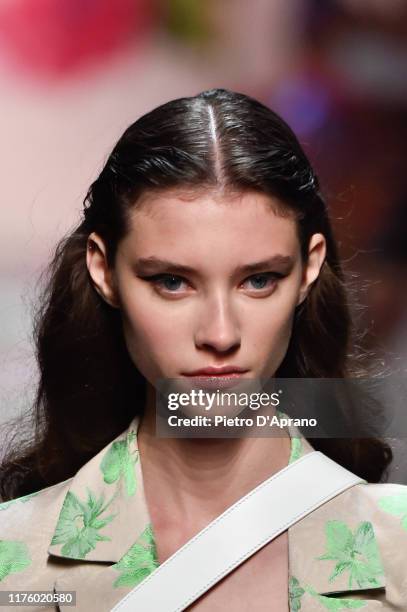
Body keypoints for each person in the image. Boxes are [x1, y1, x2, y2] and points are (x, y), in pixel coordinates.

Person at [0, 88, 406, 611]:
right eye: (172, 282)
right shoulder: (15, 565)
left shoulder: (395, 556)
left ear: (308, 270)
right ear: (104, 270)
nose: (220, 333)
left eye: (259, 280)